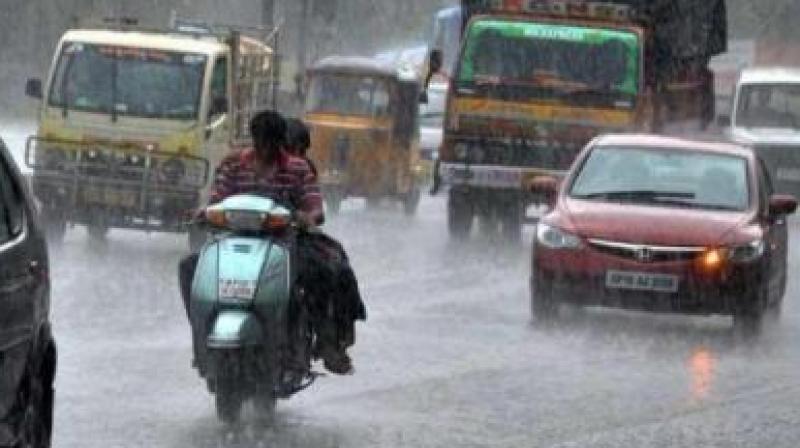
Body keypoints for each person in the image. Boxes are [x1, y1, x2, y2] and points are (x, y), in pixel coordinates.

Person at [178, 110, 365, 374]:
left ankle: (325, 342)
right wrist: (202, 213)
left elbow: (314, 207)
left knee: (320, 272)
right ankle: (202, 339)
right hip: (233, 241)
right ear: (253, 140)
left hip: (283, 243)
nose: (264, 151)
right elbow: (217, 198)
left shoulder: (298, 169)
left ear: (281, 143)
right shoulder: (233, 165)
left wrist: (307, 217)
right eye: (260, 143)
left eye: (271, 144)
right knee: (189, 269)